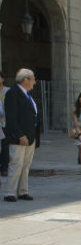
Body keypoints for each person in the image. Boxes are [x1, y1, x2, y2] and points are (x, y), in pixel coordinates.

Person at [3, 69, 38, 202]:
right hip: (19, 137)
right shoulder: (13, 94)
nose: (34, 82)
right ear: (25, 80)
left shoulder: (27, 94)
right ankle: (9, 192)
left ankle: (23, 190)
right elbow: (11, 118)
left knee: (26, 164)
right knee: (16, 164)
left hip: (30, 136)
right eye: (33, 79)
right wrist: (20, 135)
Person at [0, 71, 10, 177]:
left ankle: (4, 167)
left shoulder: (8, 91)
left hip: (5, 123)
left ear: (2, 79)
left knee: (5, 146)